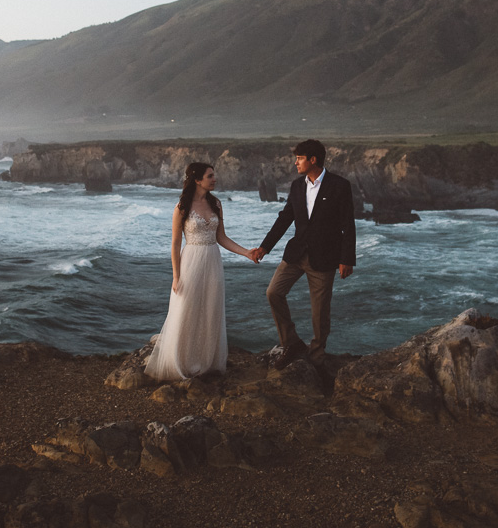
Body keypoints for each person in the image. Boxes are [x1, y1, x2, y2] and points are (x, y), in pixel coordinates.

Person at [145, 162, 255, 381]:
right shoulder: (182, 207)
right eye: (210, 176)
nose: (214, 179)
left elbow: (221, 238)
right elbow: (175, 244)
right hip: (191, 262)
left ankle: (205, 362)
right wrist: (176, 277)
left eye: (214, 175)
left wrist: (246, 253)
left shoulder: (216, 204)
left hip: (213, 260)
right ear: (197, 180)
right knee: (187, 309)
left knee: (210, 309)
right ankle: (182, 361)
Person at [252, 140, 356, 367]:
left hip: (325, 257)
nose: (295, 163)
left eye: (299, 158)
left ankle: (317, 356)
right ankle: (291, 343)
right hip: (296, 254)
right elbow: (285, 218)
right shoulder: (297, 186)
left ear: (313, 160)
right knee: (273, 293)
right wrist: (264, 247)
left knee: (319, 313)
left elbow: (348, 224)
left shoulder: (339, 186)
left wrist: (346, 259)